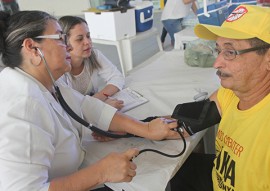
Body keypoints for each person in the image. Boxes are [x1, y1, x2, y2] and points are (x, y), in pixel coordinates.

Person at [0, 10, 179, 191]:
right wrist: (101, 172)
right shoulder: (21, 108)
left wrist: (145, 129)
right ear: (32, 48)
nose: (68, 46)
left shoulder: (43, 82)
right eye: (60, 38)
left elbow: (88, 107)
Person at [169, 5, 270, 191]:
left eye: (230, 52)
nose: (216, 63)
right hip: (217, 178)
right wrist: (136, 127)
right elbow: (194, 117)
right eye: (218, 50)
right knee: (174, 170)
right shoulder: (234, 92)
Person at [58, 16, 125, 111]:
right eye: (80, 39)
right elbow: (69, 109)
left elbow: (117, 77)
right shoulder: (59, 70)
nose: (88, 42)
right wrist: (98, 105)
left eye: (88, 36)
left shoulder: (94, 54)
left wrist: (99, 98)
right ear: (64, 43)